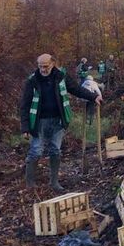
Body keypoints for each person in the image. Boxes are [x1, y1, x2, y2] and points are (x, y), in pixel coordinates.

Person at [20, 54, 101, 191]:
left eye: (45, 66)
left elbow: (76, 89)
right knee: (36, 151)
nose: (43, 69)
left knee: (55, 150)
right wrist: (25, 127)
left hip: (58, 120)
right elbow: (25, 105)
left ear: (52, 64)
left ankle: (54, 183)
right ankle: (30, 184)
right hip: (39, 122)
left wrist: (93, 97)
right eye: (40, 66)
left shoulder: (61, 77)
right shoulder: (32, 80)